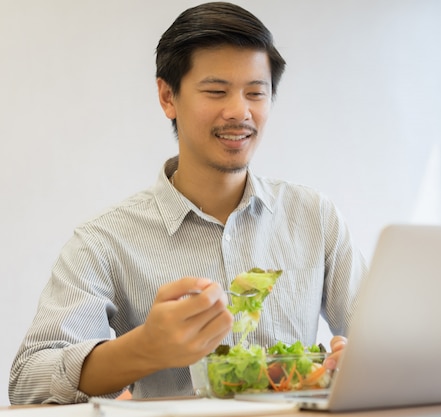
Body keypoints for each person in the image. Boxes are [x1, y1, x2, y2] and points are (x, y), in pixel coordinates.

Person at [9, 2, 366, 405]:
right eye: (216, 91)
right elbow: (27, 381)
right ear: (167, 97)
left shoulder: (315, 217)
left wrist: (365, 360)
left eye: (256, 93)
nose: (239, 112)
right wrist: (143, 348)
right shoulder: (105, 239)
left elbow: (387, 341)